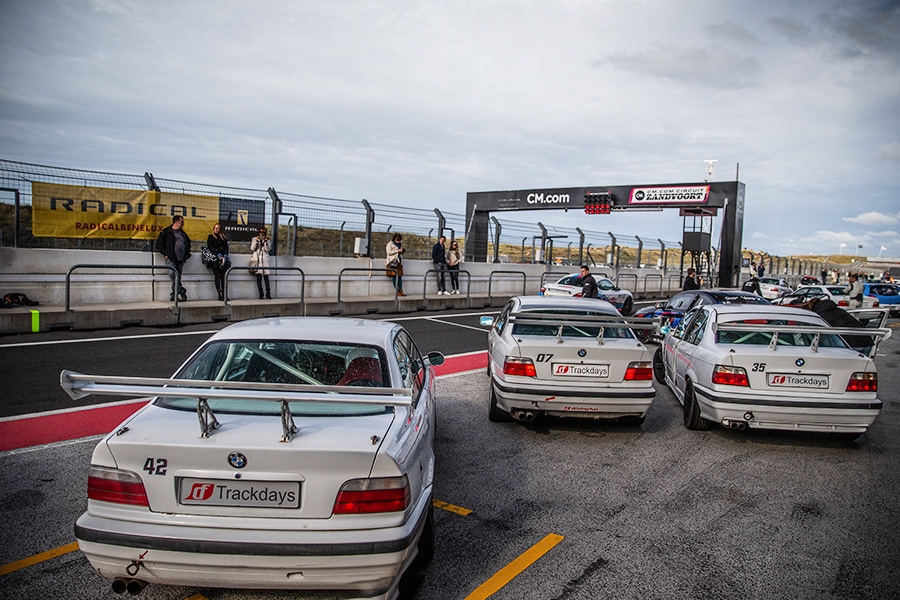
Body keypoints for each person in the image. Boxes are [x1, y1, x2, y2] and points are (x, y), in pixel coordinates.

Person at [801, 297, 871, 350]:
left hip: (851, 344)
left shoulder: (820, 316)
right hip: (867, 340)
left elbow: (823, 338)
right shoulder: (837, 310)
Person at [156, 215, 191, 301]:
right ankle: (181, 290)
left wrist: (187, 254)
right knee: (173, 274)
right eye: (181, 222)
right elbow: (159, 244)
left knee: (177, 277)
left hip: (181, 258)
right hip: (171, 258)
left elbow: (188, 243)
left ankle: (174, 295)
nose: (183, 224)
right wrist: (165, 253)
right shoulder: (167, 232)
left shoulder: (182, 233)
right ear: (176, 222)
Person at [206, 223, 229, 301]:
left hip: (223, 259)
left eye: (218, 228)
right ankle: (219, 294)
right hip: (215, 260)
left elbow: (226, 248)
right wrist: (218, 254)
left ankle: (224, 293)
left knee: (223, 277)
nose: (216, 229)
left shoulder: (223, 238)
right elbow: (210, 247)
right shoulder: (211, 237)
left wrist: (225, 255)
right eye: (215, 228)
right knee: (217, 276)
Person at [250, 227, 272, 299]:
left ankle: (268, 293)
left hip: (265, 260)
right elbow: (253, 248)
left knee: (266, 277)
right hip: (257, 260)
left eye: (264, 233)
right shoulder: (254, 239)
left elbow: (268, 249)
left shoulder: (268, 240)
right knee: (258, 277)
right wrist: (257, 241)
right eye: (261, 232)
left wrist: (265, 242)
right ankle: (261, 293)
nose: (262, 234)